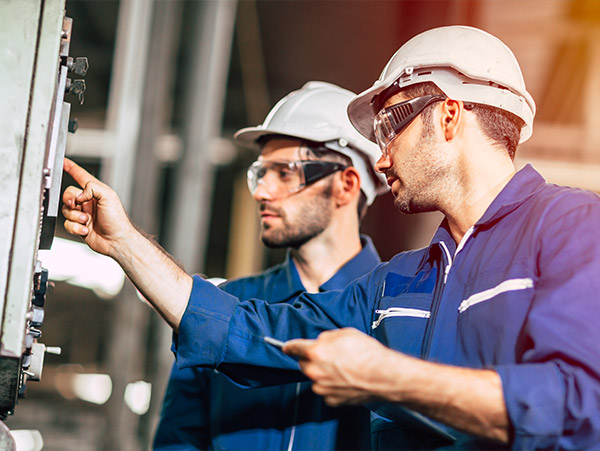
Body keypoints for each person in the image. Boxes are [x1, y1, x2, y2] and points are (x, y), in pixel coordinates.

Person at [62, 26, 600, 450]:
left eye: (389, 128)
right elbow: (248, 332)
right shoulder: (397, 281)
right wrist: (124, 241)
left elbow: (578, 405)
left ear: (449, 116)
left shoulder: (572, 227)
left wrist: (392, 378)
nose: (381, 157)